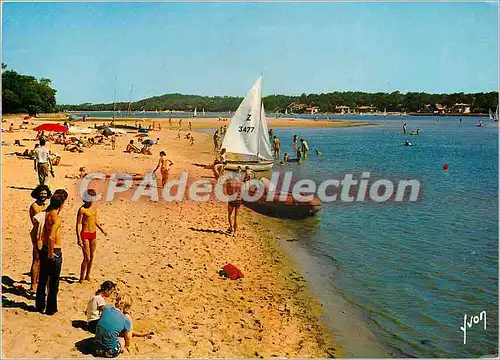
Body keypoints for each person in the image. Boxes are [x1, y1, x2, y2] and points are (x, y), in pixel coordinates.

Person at [35, 189, 68, 315]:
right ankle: (50, 308)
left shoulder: (46, 214)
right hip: (53, 249)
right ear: (61, 204)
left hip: (44, 248)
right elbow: (51, 237)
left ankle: (39, 305)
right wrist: (50, 253)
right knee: (54, 282)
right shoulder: (56, 218)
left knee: (43, 279)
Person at [76, 188, 107, 283]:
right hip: (85, 234)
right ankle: (81, 278)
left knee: (92, 256)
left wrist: (102, 229)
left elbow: (94, 219)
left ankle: (88, 275)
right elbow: (78, 224)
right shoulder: (82, 210)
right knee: (87, 257)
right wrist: (79, 238)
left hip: (93, 233)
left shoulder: (94, 207)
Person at [29, 185, 52, 292]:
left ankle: (37, 281)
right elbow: (39, 221)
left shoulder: (44, 205)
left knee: (43, 260)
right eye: (41, 193)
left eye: (45, 193)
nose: (43, 195)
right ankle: (33, 284)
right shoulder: (35, 206)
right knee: (37, 259)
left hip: (43, 233)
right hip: (37, 234)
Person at [224, 170, 243, 236]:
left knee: (229, 215)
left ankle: (231, 228)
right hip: (238, 200)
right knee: (236, 217)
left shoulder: (229, 183)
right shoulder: (241, 183)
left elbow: (227, 192)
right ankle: (235, 232)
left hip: (231, 200)